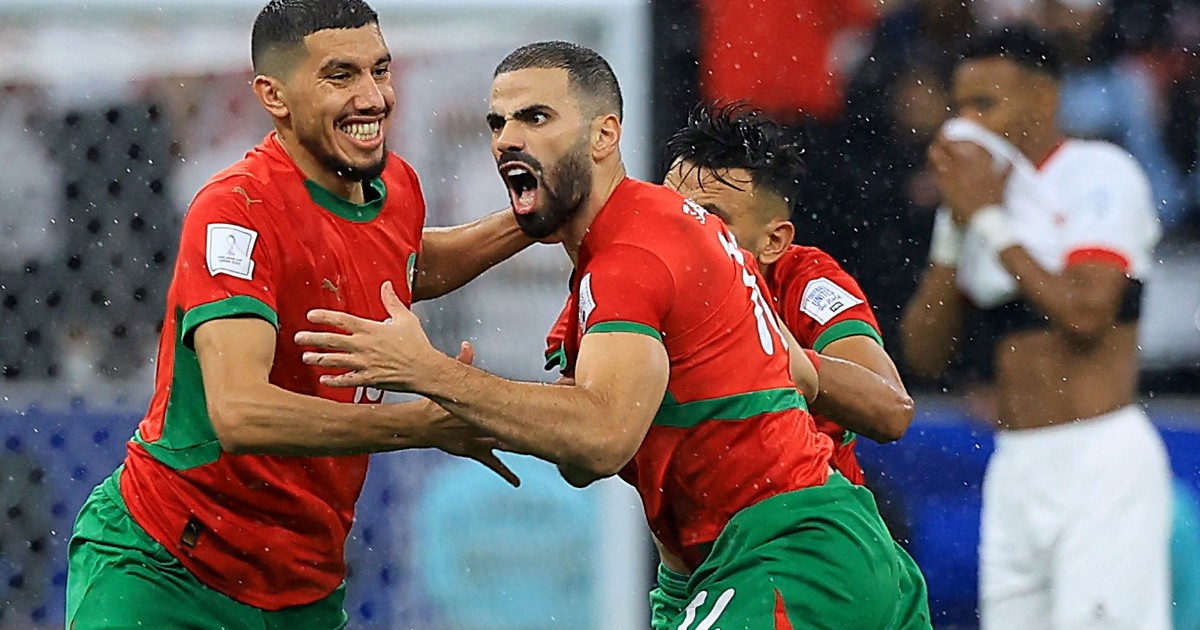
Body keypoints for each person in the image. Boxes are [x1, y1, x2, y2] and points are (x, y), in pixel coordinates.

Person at [298, 41, 925, 628]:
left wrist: (430, 372)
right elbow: (583, 458)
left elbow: (600, 439)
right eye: (497, 123)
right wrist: (464, 407)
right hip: (757, 557)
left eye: (536, 117)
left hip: (791, 556)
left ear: (605, 134)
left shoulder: (638, 257)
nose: (508, 138)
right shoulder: (614, 267)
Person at [65, 2, 533, 628]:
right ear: (274, 96)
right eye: (341, 76)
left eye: (380, 70)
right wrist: (421, 425)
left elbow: (403, 263)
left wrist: (531, 219)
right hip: (167, 570)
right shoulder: (236, 209)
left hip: (301, 587)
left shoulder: (395, 185)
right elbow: (241, 412)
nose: (373, 98)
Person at [900, 28, 1171, 629]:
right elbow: (923, 354)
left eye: (985, 104)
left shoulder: (1100, 174)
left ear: (1044, 99)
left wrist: (990, 221)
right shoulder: (976, 197)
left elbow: (1086, 315)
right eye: (959, 106)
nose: (967, 124)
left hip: (1096, 461)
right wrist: (954, 235)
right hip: (1015, 467)